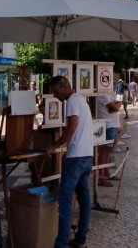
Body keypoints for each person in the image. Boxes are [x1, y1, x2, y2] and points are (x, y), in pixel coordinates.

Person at [46, 75, 93, 248]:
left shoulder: (72, 101)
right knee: (84, 199)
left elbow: (71, 129)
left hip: (76, 158)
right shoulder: (82, 100)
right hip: (87, 155)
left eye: (57, 91)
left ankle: (61, 244)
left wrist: (53, 146)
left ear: (65, 87)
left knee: (65, 201)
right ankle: (80, 239)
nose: (55, 96)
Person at [96, 89, 121, 186]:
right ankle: (101, 177)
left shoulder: (109, 93)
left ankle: (106, 173)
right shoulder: (103, 94)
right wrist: (118, 103)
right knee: (104, 151)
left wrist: (116, 104)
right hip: (107, 125)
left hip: (113, 124)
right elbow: (115, 108)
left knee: (108, 151)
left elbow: (115, 106)